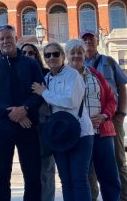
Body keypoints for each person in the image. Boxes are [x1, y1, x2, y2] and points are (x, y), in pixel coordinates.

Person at [0, 24, 44, 201]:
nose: (5, 41)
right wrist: (11, 112)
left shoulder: (30, 64)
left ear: (16, 39)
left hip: (28, 125)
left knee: (32, 175)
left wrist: (24, 109)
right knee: (1, 177)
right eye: (2, 39)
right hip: (1, 128)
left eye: (9, 37)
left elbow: (39, 92)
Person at [32, 42, 94, 201]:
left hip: (80, 133)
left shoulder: (73, 75)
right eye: (47, 55)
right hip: (59, 134)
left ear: (63, 56)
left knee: (79, 180)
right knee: (66, 182)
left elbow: (70, 101)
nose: (51, 57)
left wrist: (44, 93)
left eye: (55, 54)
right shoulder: (45, 79)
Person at [66, 39, 121, 201]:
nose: (76, 55)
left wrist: (105, 116)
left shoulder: (95, 74)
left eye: (80, 52)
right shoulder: (61, 76)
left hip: (101, 132)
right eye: (72, 52)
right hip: (79, 136)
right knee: (83, 179)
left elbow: (112, 99)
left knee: (109, 177)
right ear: (67, 55)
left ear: (85, 54)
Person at [82, 30, 127, 201]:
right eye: (84, 39)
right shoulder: (77, 63)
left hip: (111, 119)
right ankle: (92, 197)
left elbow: (121, 87)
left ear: (97, 40)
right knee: (89, 165)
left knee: (118, 161)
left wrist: (121, 114)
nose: (88, 42)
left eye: (90, 39)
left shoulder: (109, 61)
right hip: (88, 122)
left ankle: (123, 197)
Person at [21, 42, 55, 201]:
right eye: (24, 53)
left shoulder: (46, 74)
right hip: (25, 126)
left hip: (44, 125)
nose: (28, 55)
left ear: (37, 55)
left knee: (46, 169)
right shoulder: (17, 75)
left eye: (31, 52)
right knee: (29, 170)